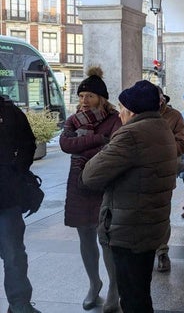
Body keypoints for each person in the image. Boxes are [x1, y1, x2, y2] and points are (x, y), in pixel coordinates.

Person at [80, 80, 177, 313]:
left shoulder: (130, 135)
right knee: (141, 290)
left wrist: (106, 148)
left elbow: (91, 175)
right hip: (150, 223)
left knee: (132, 296)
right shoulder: (161, 127)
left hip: (129, 226)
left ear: (131, 111)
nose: (120, 113)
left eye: (122, 108)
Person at [59, 67, 122, 312]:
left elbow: (112, 152)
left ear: (101, 98)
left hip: (104, 184)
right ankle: (93, 284)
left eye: (90, 96)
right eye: (81, 96)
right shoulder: (73, 120)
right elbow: (65, 144)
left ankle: (113, 290)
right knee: (85, 237)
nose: (84, 101)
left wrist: (83, 147)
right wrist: (97, 140)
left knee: (106, 238)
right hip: (78, 185)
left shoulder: (114, 120)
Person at [0, 95, 41, 313]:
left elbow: (28, 143)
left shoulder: (9, 112)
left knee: (14, 254)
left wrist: (16, 171)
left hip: (6, 197)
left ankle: (19, 305)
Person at [155, 87, 184, 273]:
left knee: (161, 213)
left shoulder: (174, 116)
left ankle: (162, 252)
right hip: (138, 172)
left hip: (164, 171)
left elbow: (181, 145)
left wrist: (154, 146)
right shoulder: (135, 113)